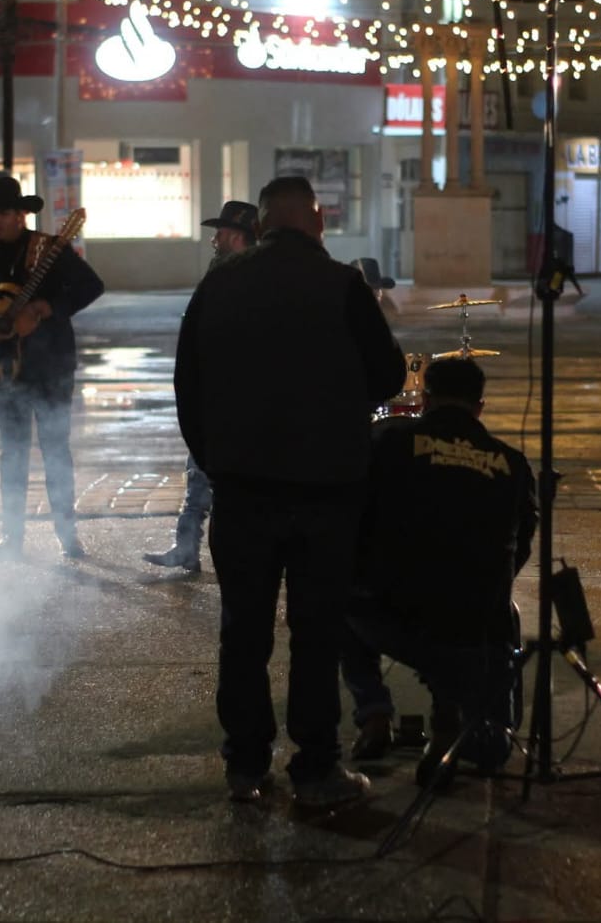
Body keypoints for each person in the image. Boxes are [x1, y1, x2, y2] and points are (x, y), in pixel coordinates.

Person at [174, 174, 405, 807]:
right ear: (319, 221)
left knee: (242, 633)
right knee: (316, 633)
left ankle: (245, 766)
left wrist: (218, 461)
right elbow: (387, 379)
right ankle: (316, 769)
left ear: (264, 222)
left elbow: (187, 388)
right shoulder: (343, 286)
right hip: (328, 491)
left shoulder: (219, 283)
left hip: (243, 490)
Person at [345, 357, 537, 785]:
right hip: (477, 625)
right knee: (490, 752)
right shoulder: (513, 464)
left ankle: (374, 714)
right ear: (480, 407)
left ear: (425, 400)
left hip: (394, 615)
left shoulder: (386, 442)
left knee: (338, 596)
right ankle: (449, 716)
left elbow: (354, 519)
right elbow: (518, 548)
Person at [0, 176, 104, 560]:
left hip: (51, 366)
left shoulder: (50, 249)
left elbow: (91, 286)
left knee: (55, 450)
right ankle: (11, 537)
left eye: (4, 213)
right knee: (13, 452)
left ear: (21, 215)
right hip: (2, 369)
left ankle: (67, 535)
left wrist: (49, 308)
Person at [144, 200, 259, 571]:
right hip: (216, 388)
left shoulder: (249, 276)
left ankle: (224, 552)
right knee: (198, 470)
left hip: (233, 392)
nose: (215, 239)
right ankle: (187, 545)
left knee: (222, 476)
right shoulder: (223, 270)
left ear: (238, 236)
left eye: (220, 232)